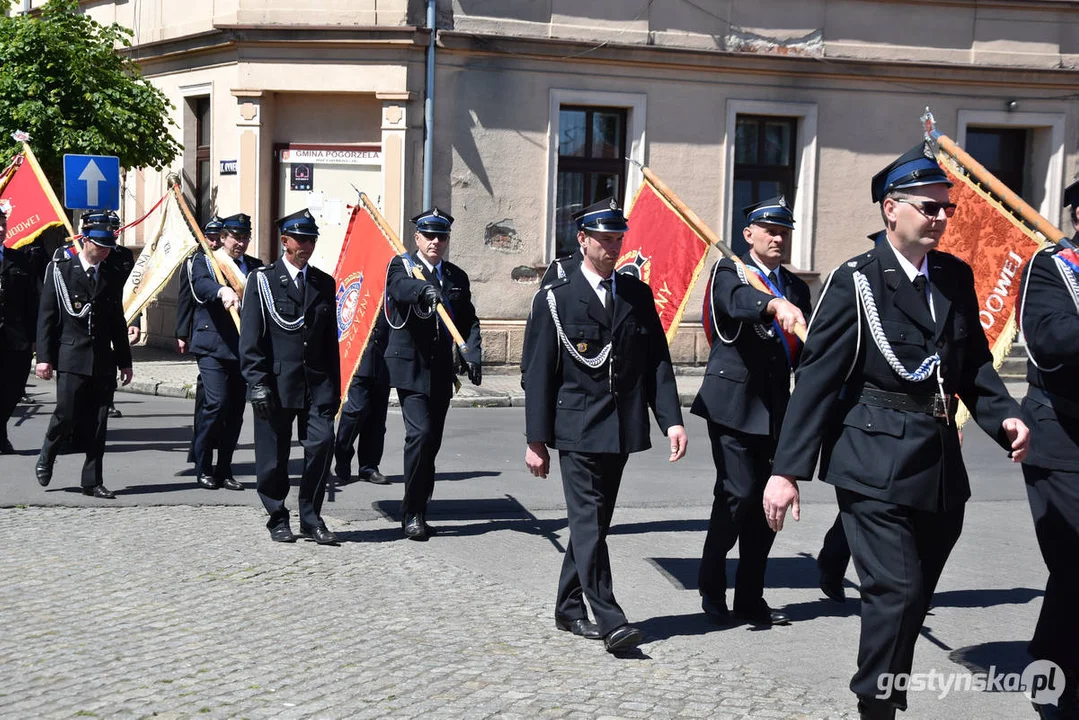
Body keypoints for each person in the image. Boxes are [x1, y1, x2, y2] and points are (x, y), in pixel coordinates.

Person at [761, 143, 1030, 719]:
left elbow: (973, 364)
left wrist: (1003, 413)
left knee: (915, 595)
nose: (939, 219)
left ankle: (885, 689)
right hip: (870, 458)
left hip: (936, 466)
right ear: (891, 209)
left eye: (945, 210)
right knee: (896, 591)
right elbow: (814, 380)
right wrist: (786, 472)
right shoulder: (856, 281)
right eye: (929, 208)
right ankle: (876, 703)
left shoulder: (954, 277)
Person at [522, 198, 688, 654]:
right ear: (582, 240)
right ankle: (611, 618)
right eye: (604, 239)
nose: (613, 246)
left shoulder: (636, 294)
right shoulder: (556, 297)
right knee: (589, 523)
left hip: (619, 427)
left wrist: (671, 419)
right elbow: (538, 372)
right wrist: (536, 439)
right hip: (575, 428)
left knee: (594, 522)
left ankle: (568, 607)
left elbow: (655, 361)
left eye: (618, 238)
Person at [691, 196, 810, 627]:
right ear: (749, 235)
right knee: (738, 494)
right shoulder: (732, 271)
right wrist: (771, 304)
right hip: (733, 407)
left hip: (778, 411)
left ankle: (750, 597)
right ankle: (711, 578)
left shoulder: (797, 287)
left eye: (784, 232)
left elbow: (805, 352)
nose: (778, 238)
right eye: (770, 231)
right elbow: (733, 301)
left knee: (767, 505)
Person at [1014, 180, 1079, 719]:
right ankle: (1054, 678)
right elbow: (1052, 339)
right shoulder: (1052, 268)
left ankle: (1054, 657)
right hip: (1060, 438)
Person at [239, 209, 341, 544]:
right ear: (285, 241)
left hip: (316, 384)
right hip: (276, 383)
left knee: (323, 443)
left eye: (311, 240)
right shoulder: (263, 280)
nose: (306, 246)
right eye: (300, 239)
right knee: (273, 458)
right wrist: (257, 384)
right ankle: (277, 516)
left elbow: (329, 343)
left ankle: (311, 517)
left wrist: (334, 389)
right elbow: (251, 339)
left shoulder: (323, 283)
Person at [384, 207, 482, 541]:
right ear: (417, 238)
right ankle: (412, 513)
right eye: (429, 236)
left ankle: (419, 506)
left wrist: (474, 355)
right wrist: (422, 290)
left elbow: (468, 319)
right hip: (410, 366)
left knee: (431, 445)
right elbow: (399, 289)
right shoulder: (403, 266)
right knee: (420, 435)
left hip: (440, 371)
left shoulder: (455, 276)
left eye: (441, 236)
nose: (435, 242)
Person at [35, 217, 133, 497]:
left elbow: (117, 319)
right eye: (100, 246)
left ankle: (92, 481)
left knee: (99, 423)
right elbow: (47, 316)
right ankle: (48, 452)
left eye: (108, 247)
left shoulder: (112, 272)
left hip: (103, 358)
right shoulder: (62, 270)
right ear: (86, 241)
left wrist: (125, 360)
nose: (105, 252)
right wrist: (44, 357)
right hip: (71, 355)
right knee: (66, 414)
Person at [190, 212, 261, 491]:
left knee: (234, 412)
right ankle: (203, 463)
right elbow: (200, 285)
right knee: (216, 404)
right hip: (213, 346)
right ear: (223, 238)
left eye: (245, 238)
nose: (240, 243)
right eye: (236, 237)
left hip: (243, 347)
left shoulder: (254, 266)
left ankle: (224, 468)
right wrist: (222, 290)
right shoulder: (208, 260)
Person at [179, 216, 223, 467]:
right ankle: (200, 450)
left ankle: (202, 448)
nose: (215, 242)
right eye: (212, 237)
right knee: (209, 400)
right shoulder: (196, 261)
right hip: (204, 333)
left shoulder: (226, 261)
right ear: (204, 237)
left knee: (210, 399)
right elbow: (187, 296)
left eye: (219, 237)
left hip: (225, 341)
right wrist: (181, 332)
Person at [0, 206, 44, 453]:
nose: (0, 228)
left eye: (3, 223)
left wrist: (37, 338)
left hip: (16, 337)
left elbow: (34, 300)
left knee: (14, 388)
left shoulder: (20, 260)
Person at [334, 312, 392, 486]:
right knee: (355, 410)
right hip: (359, 354)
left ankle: (369, 467)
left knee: (377, 416)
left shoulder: (394, 286)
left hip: (385, 356)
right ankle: (342, 457)